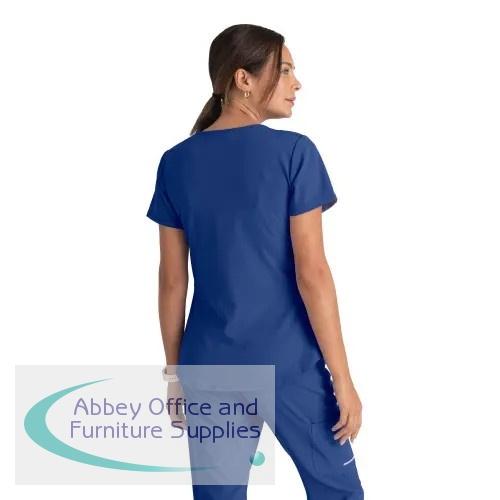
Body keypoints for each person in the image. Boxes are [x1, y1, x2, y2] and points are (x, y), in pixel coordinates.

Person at [146, 23, 364, 500]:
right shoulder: (294, 153)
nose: (296, 83)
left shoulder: (175, 162)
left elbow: (172, 282)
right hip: (288, 362)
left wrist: (175, 374)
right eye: (284, 71)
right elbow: (313, 275)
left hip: (208, 363)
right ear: (243, 79)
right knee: (339, 492)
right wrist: (343, 380)